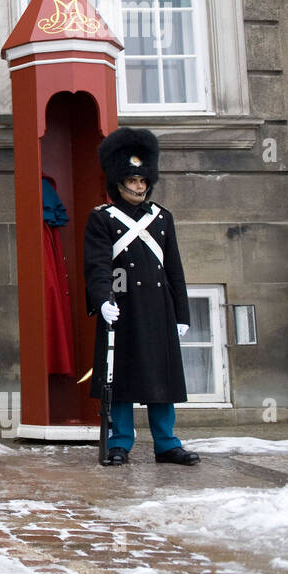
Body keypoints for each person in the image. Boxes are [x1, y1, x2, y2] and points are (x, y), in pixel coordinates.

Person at [83, 127, 199, 466]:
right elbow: (97, 265)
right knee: (119, 380)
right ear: (119, 182)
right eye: (132, 180)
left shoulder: (162, 217)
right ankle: (120, 441)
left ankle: (166, 443)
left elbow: (174, 270)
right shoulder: (102, 218)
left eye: (142, 180)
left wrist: (182, 314)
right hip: (122, 308)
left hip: (158, 308)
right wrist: (103, 299)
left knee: (161, 379)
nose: (139, 186)